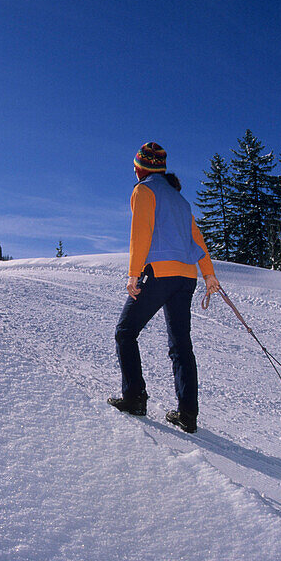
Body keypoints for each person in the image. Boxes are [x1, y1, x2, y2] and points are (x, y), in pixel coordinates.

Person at [108, 142, 221, 433]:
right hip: (187, 277)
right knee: (181, 345)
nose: (134, 170)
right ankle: (187, 414)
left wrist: (134, 274)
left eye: (136, 166)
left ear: (142, 168)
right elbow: (197, 239)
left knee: (125, 332)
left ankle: (134, 397)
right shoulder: (180, 200)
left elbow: (140, 233)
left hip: (159, 272)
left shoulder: (144, 190)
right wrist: (208, 274)